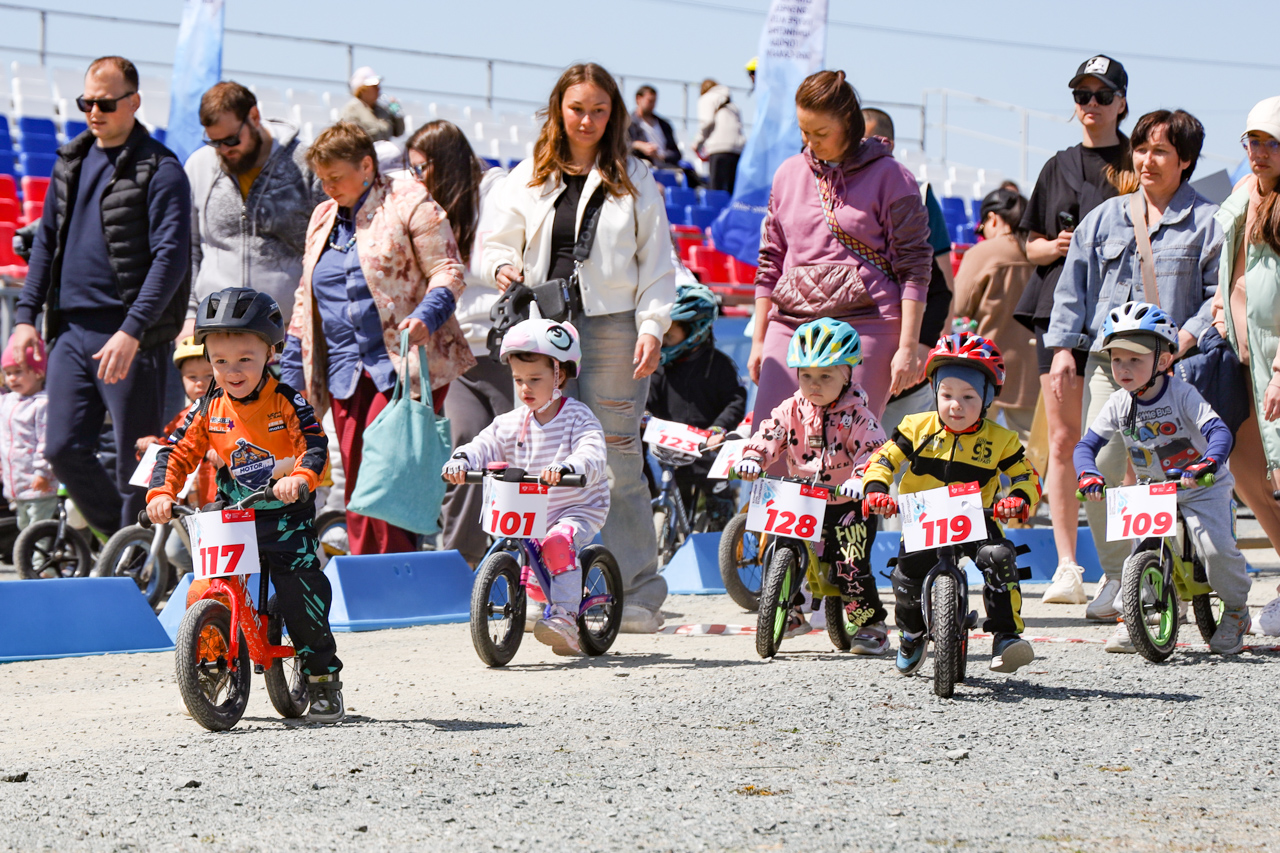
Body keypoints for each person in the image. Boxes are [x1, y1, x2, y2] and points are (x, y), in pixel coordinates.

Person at [483, 63, 677, 633]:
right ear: (558, 111)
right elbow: (494, 242)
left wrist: (652, 326)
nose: (587, 120)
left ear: (613, 112)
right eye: (576, 109)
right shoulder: (529, 176)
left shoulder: (637, 177)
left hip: (617, 326)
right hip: (548, 325)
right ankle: (555, 588)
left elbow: (658, 264)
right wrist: (502, 265)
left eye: (598, 109)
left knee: (617, 456)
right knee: (544, 456)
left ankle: (637, 592)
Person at [1046, 108, 1220, 622]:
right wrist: (1061, 349)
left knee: (1175, 474)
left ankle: (1178, 573)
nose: (1146, 160)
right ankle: (1120, 574)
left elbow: (1217, 296)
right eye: (1141, 148)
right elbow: (1072, 287)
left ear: (1185, 160)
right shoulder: (1105, 217)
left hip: (1177, 371)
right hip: (1110, 365)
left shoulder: (1208, 222)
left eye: (1161, 150)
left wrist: (1185, 339)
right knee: (1096, 466)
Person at [10, 55, 191, 535]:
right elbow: (46, 243)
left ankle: (137, 572)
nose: (94, 111)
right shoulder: (70, 159)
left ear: (133, 102)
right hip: (70, 331)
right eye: (86, 101)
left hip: (132, 337)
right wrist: (25, 318)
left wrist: (133, 330)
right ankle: (124, 546)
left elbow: (171, 258)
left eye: (106, 103)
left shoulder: (162, 169)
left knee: (138, 464)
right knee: (61, 448)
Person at [146, 288, 343, 722]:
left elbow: (314, 444)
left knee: (301, 594)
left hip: (284, 514)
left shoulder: (286, 401)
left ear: (269, 352)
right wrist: (162, 493)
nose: (231, 371)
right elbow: (175, 452)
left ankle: (322, 678)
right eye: (220, 361)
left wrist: (300, 478)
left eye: (244, 360)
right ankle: (211, 670)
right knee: (206, 587)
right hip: (234, 514)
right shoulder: (208, 406)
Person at [281, 122, 474, 556]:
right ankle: (366, 571)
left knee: (389, 477)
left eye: (336, 177)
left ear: (366, 166)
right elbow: (302, 301)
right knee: (356, 477)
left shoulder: (411, 201)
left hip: (404, 366)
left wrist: (427, 316)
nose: (328, 188)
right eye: (322, 179)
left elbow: (448, 271)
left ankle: (395, 571)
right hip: (344, 371)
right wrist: (291, 372)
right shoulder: (322, 218)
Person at [750, 70, 933, 438]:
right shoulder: (787, 174)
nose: (810, 142)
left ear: (850, 124)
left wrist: (908, 346)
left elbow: (915, 268)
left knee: (845, 455)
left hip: (867, 325)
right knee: (768, 447)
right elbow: (770, 260)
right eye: (804, 131)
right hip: (789, 324)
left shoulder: (894, 177)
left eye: (821, 133)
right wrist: (758, 340)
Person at [1013, 55, 1133, 606]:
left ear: (1121, 102)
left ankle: (1128, 566)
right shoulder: (1057, 164)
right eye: (1081, 96)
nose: (1090, 106)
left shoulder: (1140, 158)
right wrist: (1056, 246)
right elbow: (1029, 243)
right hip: (1057, 313)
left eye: (1101, 95)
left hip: (1123, 318)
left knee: (1125, 445)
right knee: (1063, 441)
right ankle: (1067, 566)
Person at [1075, 302, 1250, 654]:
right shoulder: (1119, 404)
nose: (1123, 369)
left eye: (1135, 360)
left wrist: (1210, 463)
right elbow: (1086, 445)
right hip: (1151, 490)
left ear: (1164, 361)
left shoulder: (1182, 394)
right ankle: (1135, 615)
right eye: (1117, 359)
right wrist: (1088, 473)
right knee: (1136, 553)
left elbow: (1218, 431)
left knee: (1216, 551)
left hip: (1200, 486)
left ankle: (1236, 610)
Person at [863, 333, 1041, 676]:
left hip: (976, 515)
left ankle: (1006, 636)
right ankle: (912, 634)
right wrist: (876, 490)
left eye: (968, 396)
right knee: (907, 576)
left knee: (1000, 558)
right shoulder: (915, 427)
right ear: (934, 393)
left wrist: (1016, 500)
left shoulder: (1001, 439)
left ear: (988, 397)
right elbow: (883, 460)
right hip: (924, 517)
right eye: (946, 395)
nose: (955, 405)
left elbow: (1026, 477)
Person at [443, 317, 607, 656]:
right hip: (534, 507)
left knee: (557, 543)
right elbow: (483, 444)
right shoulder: (512, 422)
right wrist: (462, 460)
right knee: (521, 541)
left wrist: (567, 467)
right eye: (518, 380)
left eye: (535, 379)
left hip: (577, 504)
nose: (525, 389)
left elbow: (592, 451)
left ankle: (565, 618)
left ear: (559, 375)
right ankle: (534, 593)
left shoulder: (578, 417)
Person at [734, 319, 890, 653]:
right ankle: (788, 611)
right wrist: (753, 457)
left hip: (846, 505)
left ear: (847, 375)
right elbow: (770, 433)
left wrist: (860, 480)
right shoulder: (791, 409)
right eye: (806, 376)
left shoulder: (860, 417)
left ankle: (870, 623)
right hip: (802, 498)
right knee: (779, 548)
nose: (813, 385)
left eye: (825, 376)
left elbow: (875, 452)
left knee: (850, 564)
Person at [406, 120, 515, 567]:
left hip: (504, 349)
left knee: (520, 459)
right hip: (459, 354)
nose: (415, 178)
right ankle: (460, 564)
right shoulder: (430, 209)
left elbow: (499, 264)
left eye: (420, 168)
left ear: (444, 162)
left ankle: (529, 563)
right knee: (464, 454)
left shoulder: (498, 193)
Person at [184, 81, 326, 337]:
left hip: (291, 333)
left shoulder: (308, 165)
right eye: (215, 142)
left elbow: (326, 250)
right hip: (216, 333)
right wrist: (190, 314)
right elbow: (189, 249)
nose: (224, 150)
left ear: (254, 117)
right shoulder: (198, 166)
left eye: (231, 139)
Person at [1208, 96, 1280, 558]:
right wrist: (1219, 307)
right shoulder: (1241, 193)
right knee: (1248, 474)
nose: (1259, 151)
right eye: (1252, 141)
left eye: (1271, 143)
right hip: (1241, 358)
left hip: (1275, 361)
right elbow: (1230, 269)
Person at [861, 107, 958, 429]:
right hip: (848, 367)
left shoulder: (918, 193)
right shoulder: (833, 193)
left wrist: (925, 346)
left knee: (905, 472)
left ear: (884, 142)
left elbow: (941, 285)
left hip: (905, 375)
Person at [645, 283, 746, 530]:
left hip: (711, 455)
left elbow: (736, 400)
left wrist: (718, 428)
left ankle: (721, 550)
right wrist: (645, 415)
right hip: (673, 455)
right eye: (663, 335)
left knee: (719, 517)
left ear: (695, 330)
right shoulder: (660, 368)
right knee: (674, 518)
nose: (665, 341)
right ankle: (668, 546)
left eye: (670, 335)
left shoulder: (719, 366)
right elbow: (648, 402)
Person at [954, 188, 1038, 443]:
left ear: (992, 219)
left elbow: (958, 306)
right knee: (1029, 460)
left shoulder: (983, 252)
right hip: (1035, 372)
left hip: (987, 367)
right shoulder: (1041, 251)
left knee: (973, 451)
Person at [134, 338, 218, 509]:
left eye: (209, 375)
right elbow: (173, 446)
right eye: (192, 377)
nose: (200, 382)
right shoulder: (182, 417)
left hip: (218, 497)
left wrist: (223, 453)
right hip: (187, 499)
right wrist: (154, 445)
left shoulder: (229, 410)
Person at [0, 335, 57, 540]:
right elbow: (4, 439)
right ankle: (31, 564)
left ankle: (44, 569)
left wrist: (42, 471)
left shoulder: (42, 404)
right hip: (15, 485)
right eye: (8, 373)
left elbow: (46, 440)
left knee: (39, 528)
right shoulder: (6, 402)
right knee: (24, 527)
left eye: (18, 372)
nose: (12, 378)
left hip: (39, 483)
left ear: (39, 372)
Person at [628, 85, 694, 184]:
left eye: (654, 101)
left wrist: (660, 156)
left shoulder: (664, 125)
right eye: (649, 101)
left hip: (667, 167)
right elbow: (622, 146)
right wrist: (638, 145)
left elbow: (676, 154)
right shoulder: (628, 124)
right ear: (638, 99)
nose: (652, 105)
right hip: (642, 168)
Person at [692, 79, 745, 193]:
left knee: (716, 188)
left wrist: (697, 142)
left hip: (718, 147)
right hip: (737, 149)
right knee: (731, 189)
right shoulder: (733, 104)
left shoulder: (706, 98)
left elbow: (707, 122)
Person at [340, 66, 405, 143]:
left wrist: (397, 115)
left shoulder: (383, 110)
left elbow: (399, 132)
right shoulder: (351, 110)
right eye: (374, 86)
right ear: (362, 90)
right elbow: (350, 140)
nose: (378, 89)